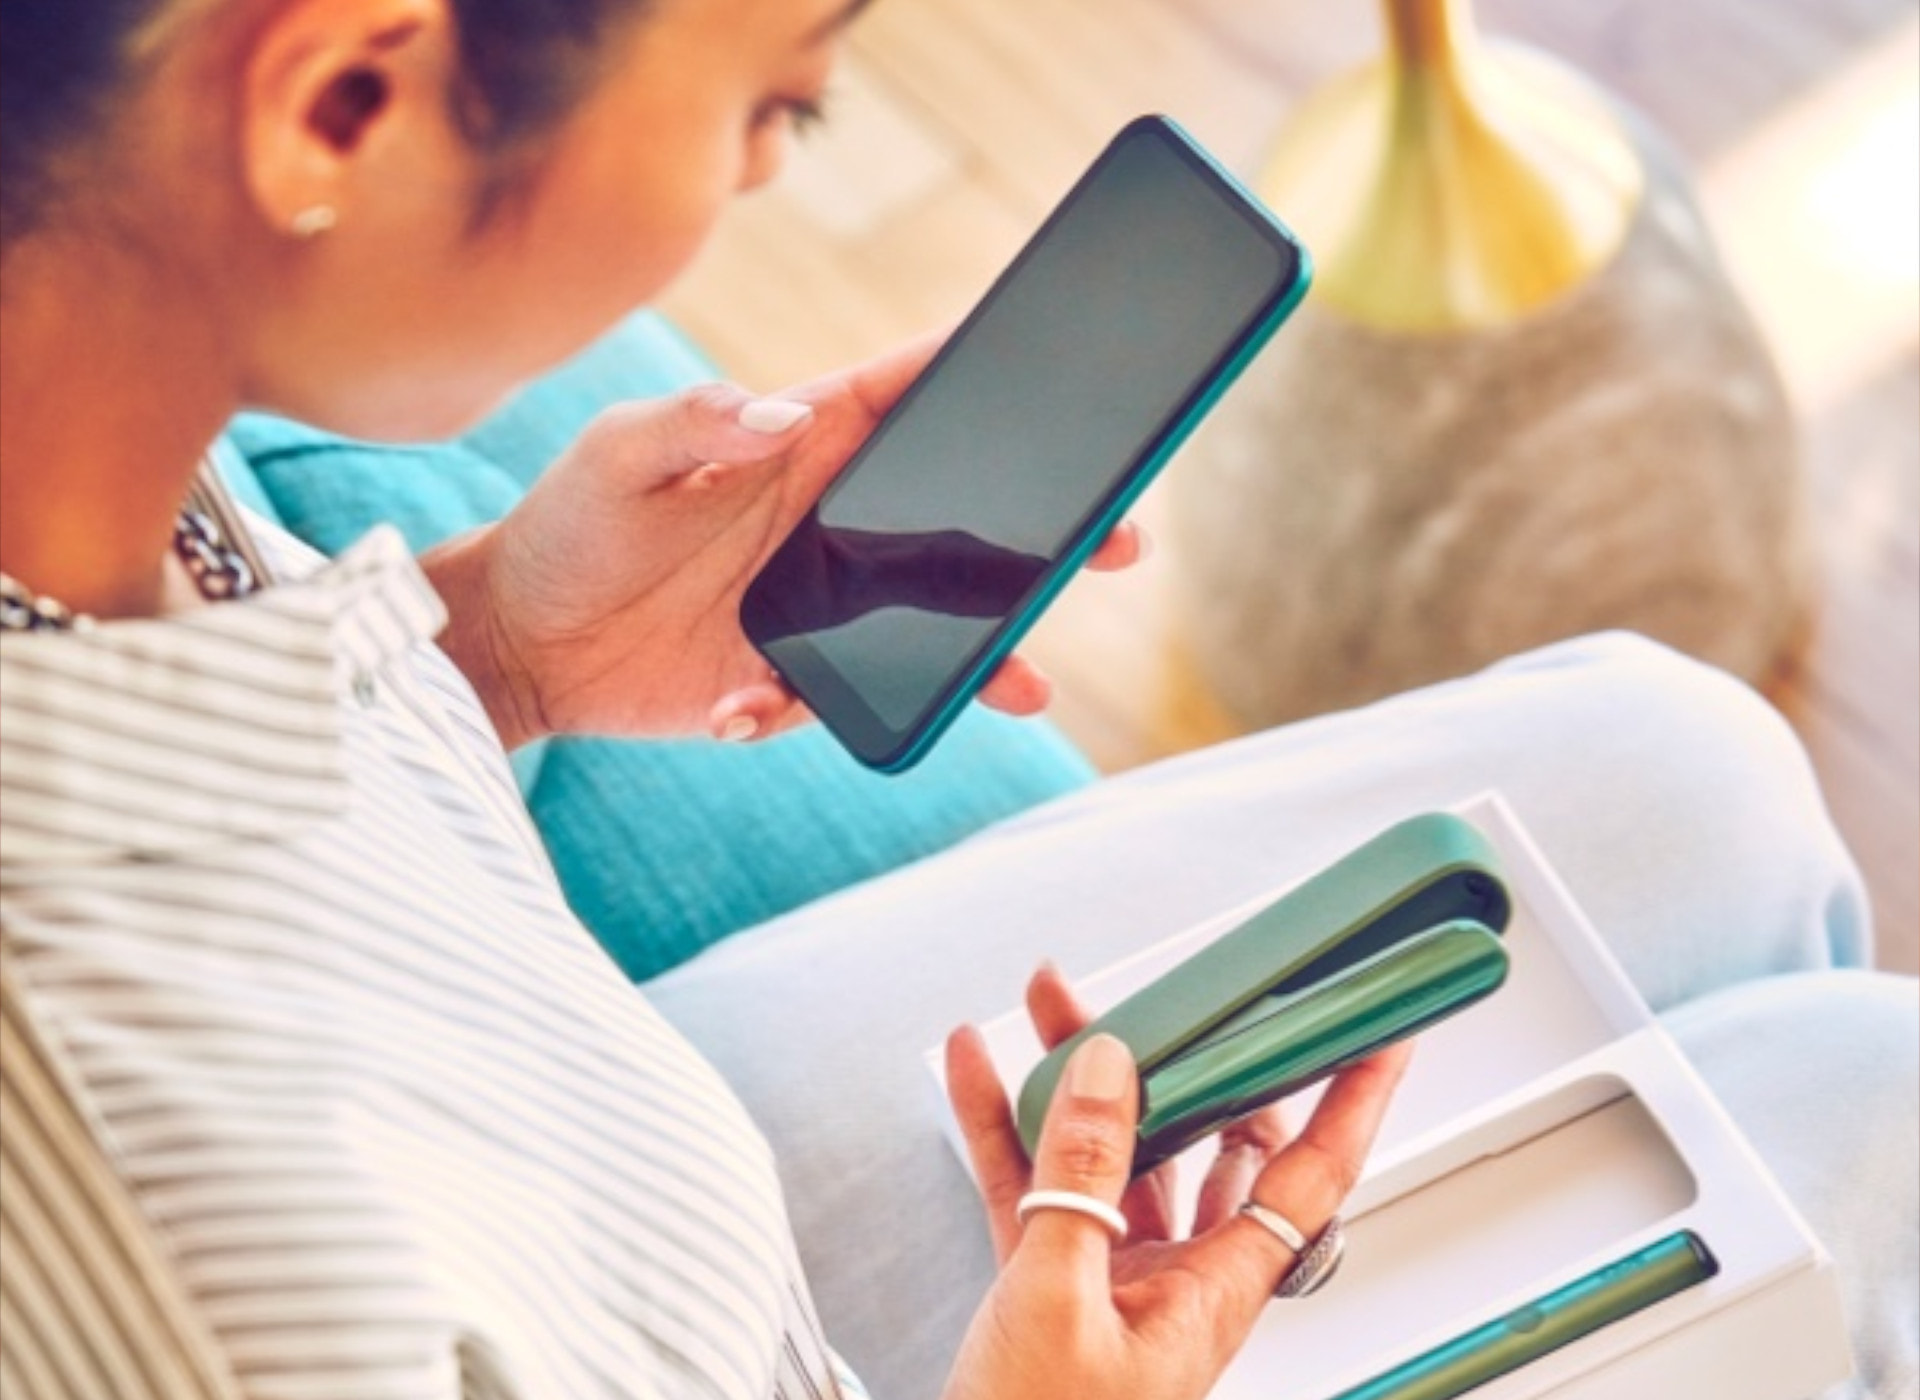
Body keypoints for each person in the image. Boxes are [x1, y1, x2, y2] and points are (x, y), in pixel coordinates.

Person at [0, 3, 1911, 1400]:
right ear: (341, 100)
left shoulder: (70, 423)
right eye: (784, 101)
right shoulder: (190, 1255)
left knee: (1698, 765)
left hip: (602, 1167)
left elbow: (224, 729)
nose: (758, 171)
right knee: (1865, 1102)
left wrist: (499, 649)